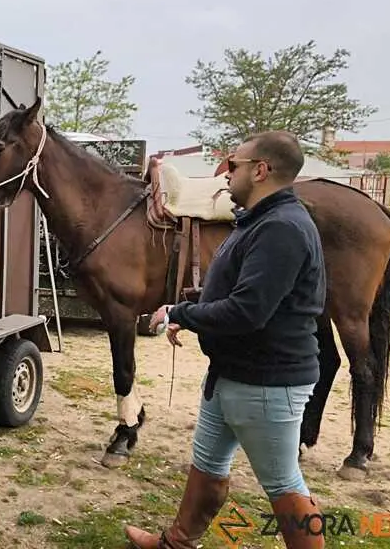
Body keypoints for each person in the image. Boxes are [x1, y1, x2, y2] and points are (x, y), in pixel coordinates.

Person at [124, 131, 326, 549]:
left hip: (267, 382)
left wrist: (182, 314)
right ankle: (176, 543)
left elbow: (248, 311)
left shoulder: (282, 229)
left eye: (233, 164)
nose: (225, 172)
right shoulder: (259, 219)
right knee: (208, 465)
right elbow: (239, 290)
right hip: (233, 376)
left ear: (261, 170)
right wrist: (193, 309)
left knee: (285, 485)